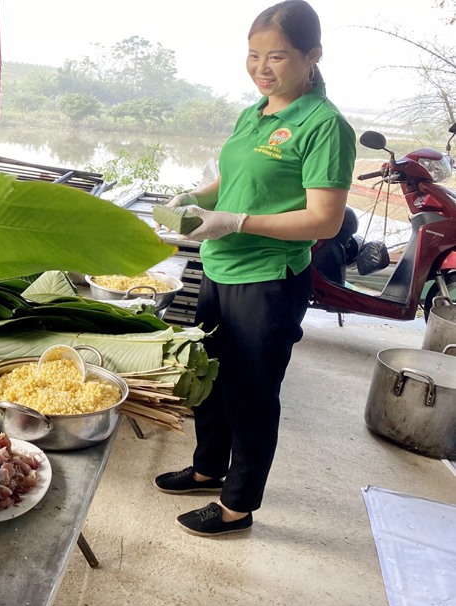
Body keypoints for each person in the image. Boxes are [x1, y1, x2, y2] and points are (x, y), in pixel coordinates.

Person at [153, 0, 356, 536]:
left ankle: (237, 506)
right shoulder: (255, 112)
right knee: (210, 380)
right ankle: (206, 469)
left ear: (313, 56)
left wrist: (238, 221)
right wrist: (194, 196)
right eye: (253, 55)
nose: (263, 68)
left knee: (251, 394)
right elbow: (229, 180)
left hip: (266, 281)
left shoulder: (324, 126)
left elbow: (325, 220)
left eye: (278, 57)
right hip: (219, 270)